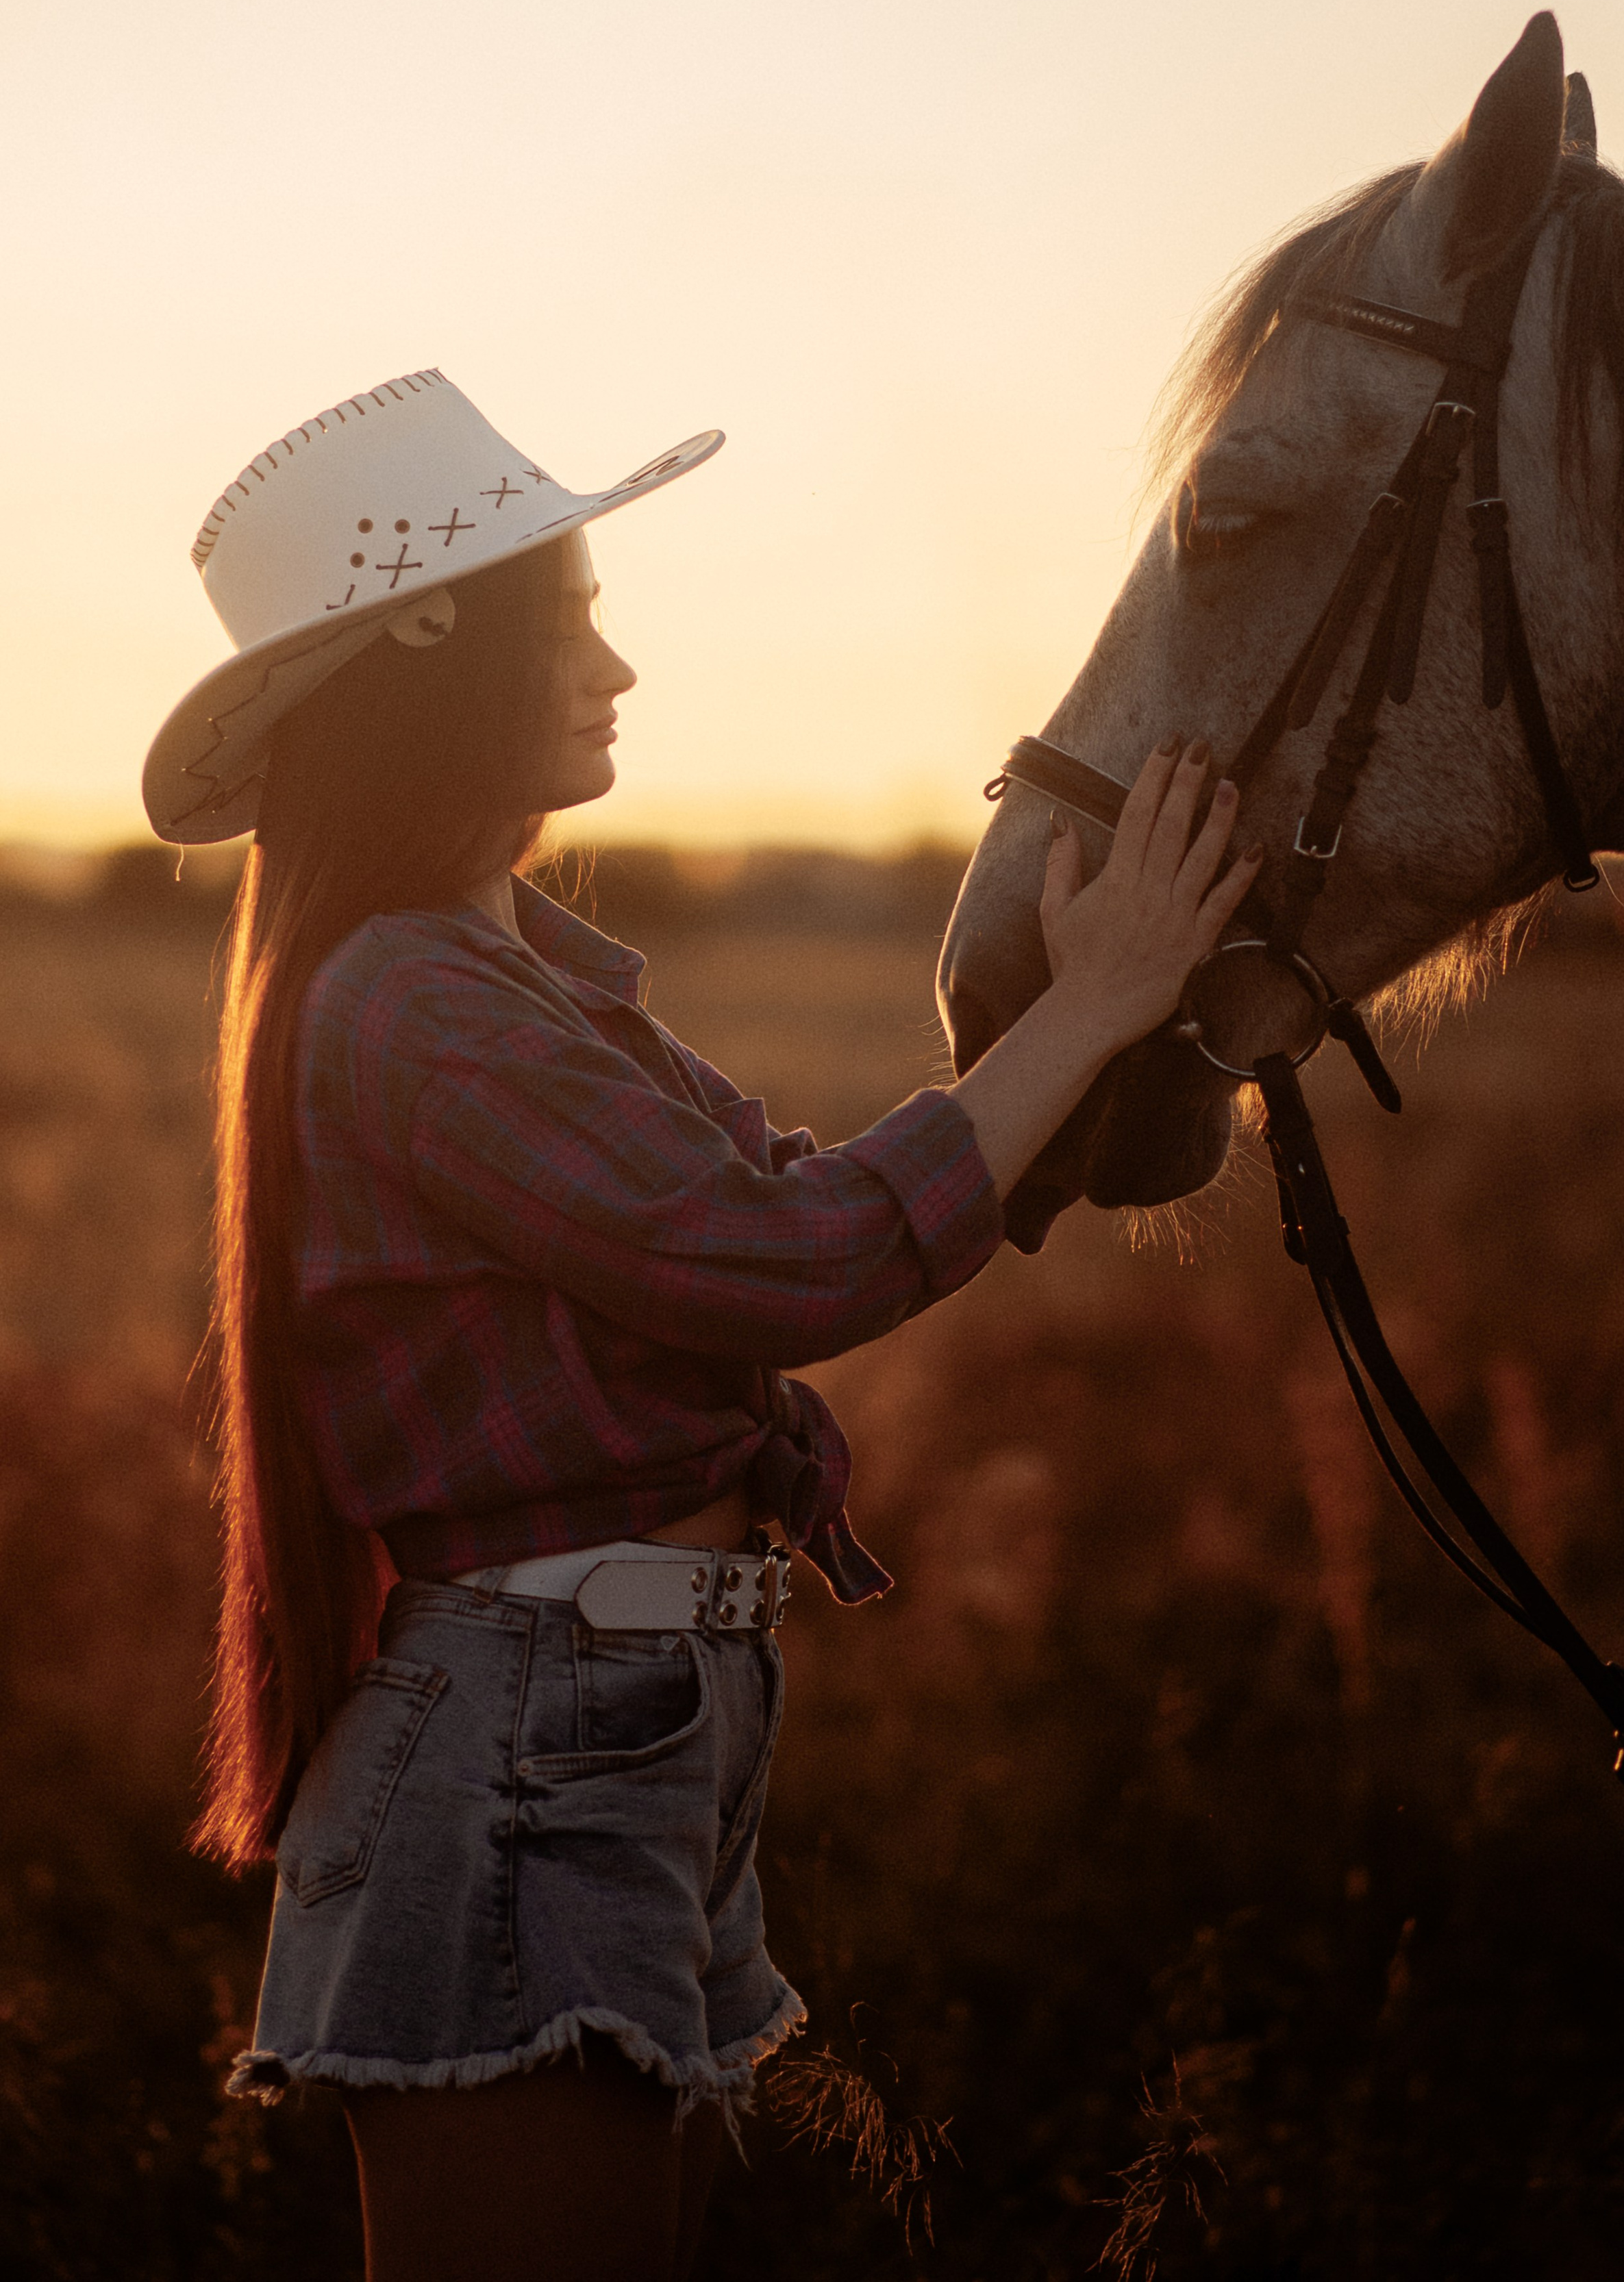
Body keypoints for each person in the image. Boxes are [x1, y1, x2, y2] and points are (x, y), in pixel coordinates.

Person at [142, 371, 1260, 2282]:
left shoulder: (525, 979)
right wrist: (1091, 1007)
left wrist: (1098, 1033)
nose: (620, 662)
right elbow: (783, 1260)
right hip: (528, 1745)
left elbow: (793, 1204)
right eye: (570, 613)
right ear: (436, 648)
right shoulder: (411, 1000)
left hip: (626, 1727)